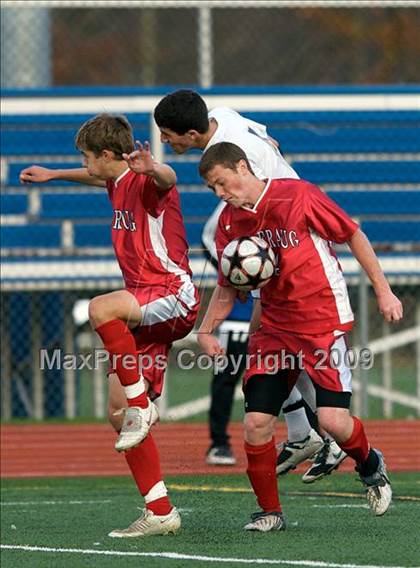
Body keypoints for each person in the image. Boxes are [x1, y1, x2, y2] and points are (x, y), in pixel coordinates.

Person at [197, 141, 402, 532]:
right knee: (256, 422)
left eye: (222, 183)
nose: (220, 194)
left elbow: (353, 235)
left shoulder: (298, 194)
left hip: (321, 321)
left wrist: (383, 290)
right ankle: (269, 513)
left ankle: (371, 464)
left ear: (242, 167)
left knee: (332, 421)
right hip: (273, 329)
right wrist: (206, 330)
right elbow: (227, 286)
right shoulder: (228, 223)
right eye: (213, 189)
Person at [20, 113, 200, 538]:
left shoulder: (142, 180)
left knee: (100, 309)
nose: (84, 164)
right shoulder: (115, 181)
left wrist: (153, 166)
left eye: (86, 157)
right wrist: (54, 174)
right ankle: (160, 511)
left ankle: (143, 406)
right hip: (144, 307)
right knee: (117, 415)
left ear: (105, 154)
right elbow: (97, 178)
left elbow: (168, 180)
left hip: (170, 293)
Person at [154, 89, 344, 476]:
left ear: (191, 134)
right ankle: (306, 433)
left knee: (276, 340)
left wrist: (241, 277)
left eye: (167, 133)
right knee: (269, 345)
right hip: (270, 237)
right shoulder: (222, 115)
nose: (163, 140)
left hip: (284, 238)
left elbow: (262, 189)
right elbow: (268, 137)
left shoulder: (233, 151)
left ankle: (325, 436)